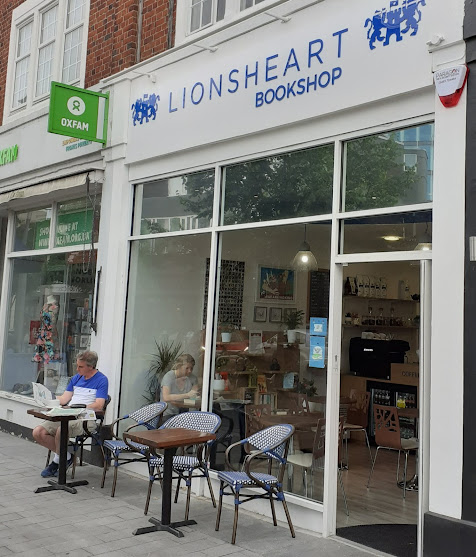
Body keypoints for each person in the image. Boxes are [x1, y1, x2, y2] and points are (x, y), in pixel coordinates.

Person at [32, 350, 108, 478]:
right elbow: (63, 399)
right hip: (67, 414)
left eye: (80, 366)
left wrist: (77, 407)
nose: (77, 369)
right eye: (77, 365)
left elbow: (99, 405)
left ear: (91, 366)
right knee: (38, 432)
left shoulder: (101, 380)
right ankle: (67, 457)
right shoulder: (76, 378)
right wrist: (47, 398)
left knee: (61, 430)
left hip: (85, 418)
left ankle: (57, 461)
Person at [160, 353, 200, 419]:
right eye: (187, 368)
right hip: (169, 414)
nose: (189, 371)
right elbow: (166, 397)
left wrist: (178, 401)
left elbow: (194, 400)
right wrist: (187, 395)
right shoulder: (169, 376)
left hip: (187, 414)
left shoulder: (193, 378)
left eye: (191, 368)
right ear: (179, 366)